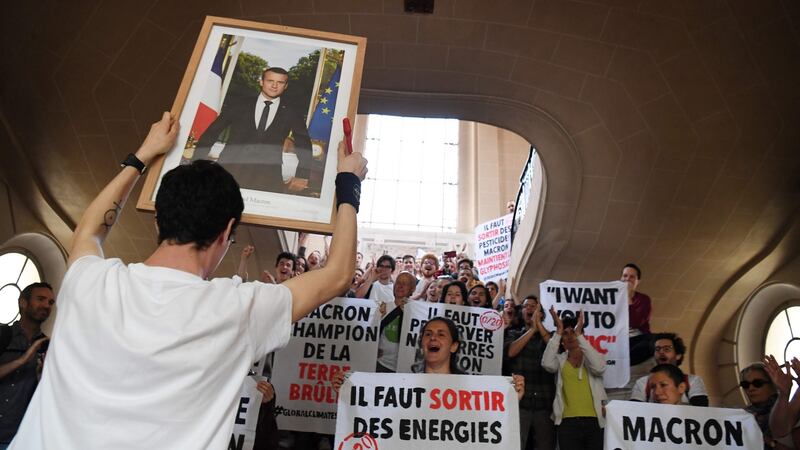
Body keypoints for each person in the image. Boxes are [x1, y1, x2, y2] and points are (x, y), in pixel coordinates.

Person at [9, 113, 367, 449]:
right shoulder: (236, 309)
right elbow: (336, 275)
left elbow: (89, 230)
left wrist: (144, 154)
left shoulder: (89, 281)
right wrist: (348, 183)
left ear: (157, 221)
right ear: (228, 231)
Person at [192, 67, 313, 194]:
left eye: (280, 82)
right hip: (229, 169)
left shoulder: (291, 111)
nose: (274, 86)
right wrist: (198, 163)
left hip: (268, 176)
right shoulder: (239, 104)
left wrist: (302, 175)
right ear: (261, 82)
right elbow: (212, 132)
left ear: (285, 86)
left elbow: (304, 144)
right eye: (270, 81)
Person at [542, 307, 607, 450]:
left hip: (594, 420)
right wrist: (558, 331)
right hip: (567, 421)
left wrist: (579, 335)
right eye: (566, 334)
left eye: (574, 332)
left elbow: (599, 368)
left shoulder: (592, 357)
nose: (570, 336)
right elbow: (547, 364)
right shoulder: (559, 360)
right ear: (562, 339)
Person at [0, 283, 55, 447]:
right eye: (41, 299)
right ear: (23, 302)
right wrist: (22, 360)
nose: (46, 305)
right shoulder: (2, 335)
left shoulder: (49, 346)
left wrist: (44, 378)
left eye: (51, 302)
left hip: (20, 439)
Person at [504, 295, 555, 450]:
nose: (530, 309)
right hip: (520, 403)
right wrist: (532, 329)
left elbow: (556, 350)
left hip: (544, 403)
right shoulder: (513, 334)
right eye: (526, 306)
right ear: (522, 311)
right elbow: (511, 352)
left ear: (541, 313)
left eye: (534, 306)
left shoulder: (549, 336)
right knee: (515, 445)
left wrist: (538, 327)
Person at [628, 332, 708, 405]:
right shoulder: (643, 382)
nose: (661, 352)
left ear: (678, 355)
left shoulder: (692, 381)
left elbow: (701, 409)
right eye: (657, 349)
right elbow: (634, 410)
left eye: (667, 349)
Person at [375, 272, 417, 373]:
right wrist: (373, 348)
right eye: (398, 282)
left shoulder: (417, 312)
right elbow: (371, 334)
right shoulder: (381, 308)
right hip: (382, 364)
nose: (400, 286)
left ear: (412, 289)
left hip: (406, 369)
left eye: (405, 283)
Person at [622, 263, 652, 365]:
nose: (627, 279)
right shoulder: (611, 298)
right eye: (625, 276)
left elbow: (635, 322)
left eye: (632, 277)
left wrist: (628, 296)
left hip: (637, 340)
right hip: (617, 339)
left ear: (637, 281)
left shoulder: (644, 299)